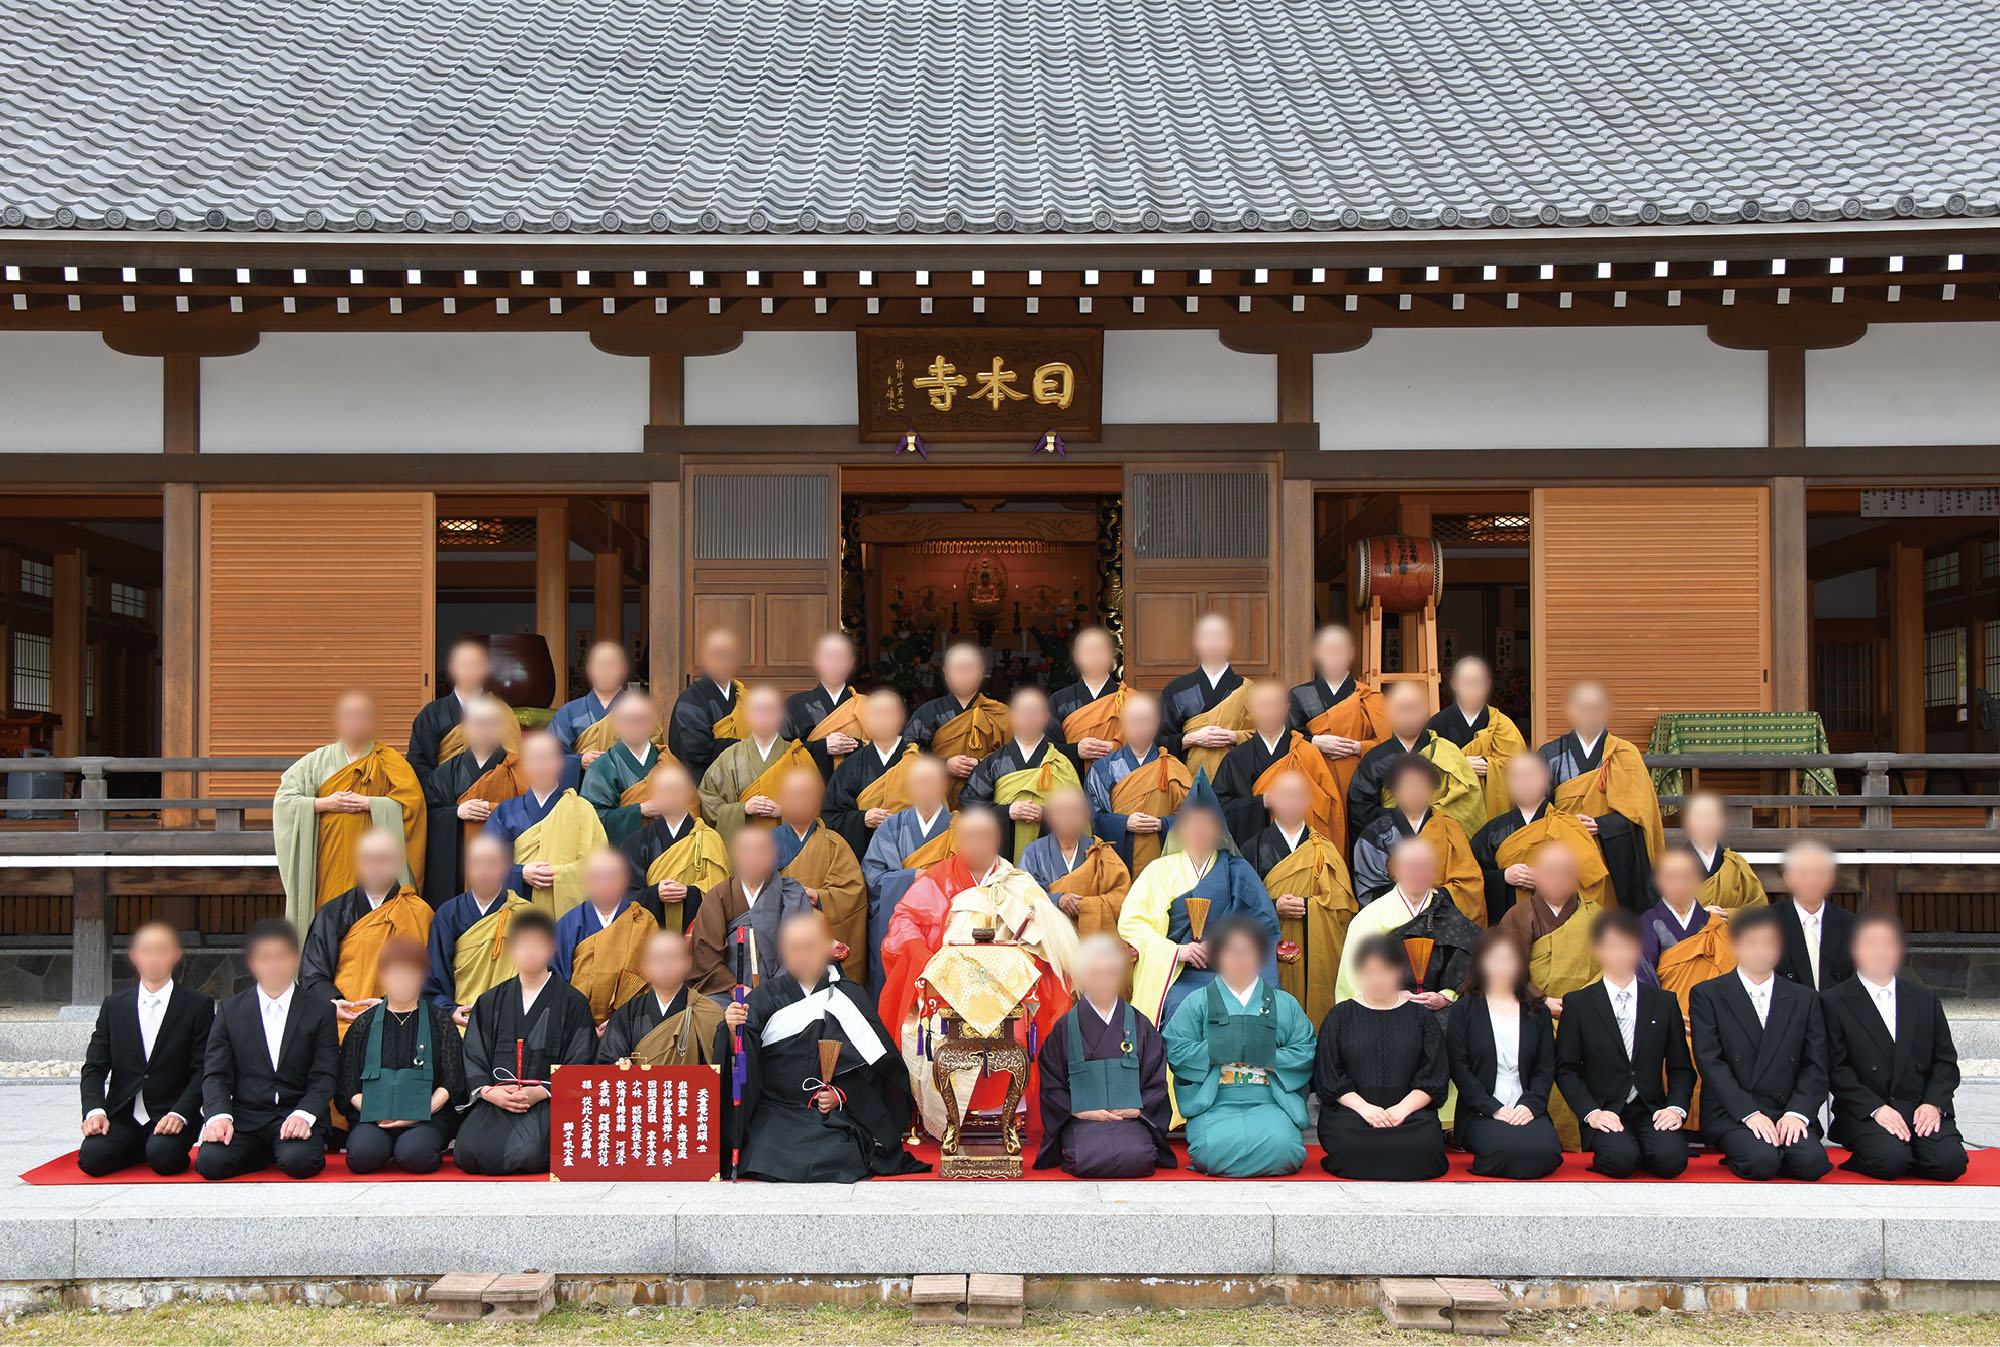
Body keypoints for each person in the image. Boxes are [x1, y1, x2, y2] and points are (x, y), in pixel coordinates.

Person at [877, 807, 1079, 1138]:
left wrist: (1019, 958)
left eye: (985, 836)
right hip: (947, 985)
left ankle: (1011, 1114)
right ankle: (948, 1118)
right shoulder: (938, 877)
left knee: (1023, 1025)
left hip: (1008, 987)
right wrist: (919, 951)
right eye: (969, 837)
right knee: (927, 1031)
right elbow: (904, 919)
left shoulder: (1017, 882)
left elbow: (1046, 935)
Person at [729, 912, 927, 1181]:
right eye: (795, 949)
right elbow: (745, 1052)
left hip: (830, 1112)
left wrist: (841, 1094)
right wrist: (732, 1028)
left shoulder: (849, 995)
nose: (803, 956)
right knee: (765, 1150)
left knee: (837, 1153)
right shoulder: (766, 995)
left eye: (811, 947)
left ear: (827, 948)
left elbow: (877, 1067)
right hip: (777, 1108)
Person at [1119, 775, 1280, 1027]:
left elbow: (1263, 924)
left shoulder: (1237, 870)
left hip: (1231, 971)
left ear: (1219, 830)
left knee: (1245, 1004)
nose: (1199, 831)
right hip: (1177, 974)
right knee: (1183, 1004)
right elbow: (1131, 923)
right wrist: (1177, 952)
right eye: (1192, 824)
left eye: (1207, 824)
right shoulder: (1158, 870)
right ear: (1180, 829)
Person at [1688, 905, 1833, 1182]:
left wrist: (1797, 1113)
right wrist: (1749, 1113)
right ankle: (1750, 1147)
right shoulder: (1708, 994)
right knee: (1761, 1163)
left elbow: (1816, 1064)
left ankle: (1780, 1143)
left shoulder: (1804, 998)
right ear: (1736, 946)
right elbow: (1710, 1062)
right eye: (1751, 943)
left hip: (1786, 1107)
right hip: (1735, 1111)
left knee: (1812, 1165)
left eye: (1769, 943)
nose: (1760, 951)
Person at [1166, 915, 1315, 1177]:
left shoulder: (1284, 1003)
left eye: (1247, 952)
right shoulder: (1197, 1002)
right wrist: (1218, 1049)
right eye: (1231, 952)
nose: (1239, 959)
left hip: (1270, 1100)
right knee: (1210, 1151)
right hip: (1216, 1099)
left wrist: (1269, 1056)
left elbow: (1305, 1050)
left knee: (1285, 1150)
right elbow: (1176, 1050)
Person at [1823, 913, 1967, 1181]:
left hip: (1918, 1106)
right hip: (1868, 1110)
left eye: (1888, 943)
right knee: (1889, 1162)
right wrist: (1877, 1109)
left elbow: (1945, 1061)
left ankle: (1915, 1149)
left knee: (1950, 1164)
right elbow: (1836, 1069)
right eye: (1871, 943)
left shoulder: (1924, 999)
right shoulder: (1833, 1001)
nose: (1880, 951)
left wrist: (1933, 1104)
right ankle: (1886, 1152)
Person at [1554, 908, 1695, 1179]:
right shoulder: (1579, 1003)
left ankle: (1647, 1147)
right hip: (1605, 1108)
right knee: (1619, 1161)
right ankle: (1627, 1147)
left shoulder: (1664, 1003)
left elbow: (1681, 1068)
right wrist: (1591, 1113)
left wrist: (1675, 1108)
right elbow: (1566, 1069)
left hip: (1650, 1108)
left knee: (1671, 1162)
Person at [456, 906, 596, 1175]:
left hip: (547, 1100)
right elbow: (474, 1055)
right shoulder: (490, 1001)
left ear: (551, 948)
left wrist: (541, 1091)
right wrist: (490, 1092)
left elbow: (581, 1059)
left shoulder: (573, 1002)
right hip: (498, 1098)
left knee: (525, 1152)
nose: (530, 951)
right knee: (469, 1150)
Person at [272, 691, 426, 933]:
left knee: (373, 924)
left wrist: (370, 804)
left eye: (362, 715)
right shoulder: (316, 761)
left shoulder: (390, 762)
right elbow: (285, 800)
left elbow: (412, 804)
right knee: (329, 921)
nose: (355, 722)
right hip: (329, 862)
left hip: (375, 862)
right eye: (349, 715)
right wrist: (322, 804)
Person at [196, 919, 338, 1180]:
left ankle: (277, 1149)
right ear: (252, 963)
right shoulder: (230, 1010)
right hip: (246, 1118)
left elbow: (325, 1075)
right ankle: (264, 1152)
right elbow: (215, 1073)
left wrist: (304, 1115)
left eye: (281, 956)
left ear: (296, 959)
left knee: (300, 1163)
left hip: (294, 1113)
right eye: (265, 957)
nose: (274, 965)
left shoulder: (321, 1010)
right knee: (211, 1164)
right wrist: (218, 1116)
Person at [1033, 933, 1174, 1177]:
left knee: (1139, 1156)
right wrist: (1076, 1110)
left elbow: (1156, 1082)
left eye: (1110, 973)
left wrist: (1137, 1110)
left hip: (1130, 1122)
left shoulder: (1141, 1026)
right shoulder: (1064, 1028)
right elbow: (1051, 1083)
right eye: (1095, 973)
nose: (1103, 981)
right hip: (1082, 1122)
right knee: (1084, 1157)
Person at [78, 921, 212, 1178]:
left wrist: (181, 1113)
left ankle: (150, 1148)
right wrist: (94, 1111)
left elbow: (203, 1069)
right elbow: (94, 1067)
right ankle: (136, 1147)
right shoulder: (114, 1006)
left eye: (162, 950)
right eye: (146, 950)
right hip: (123, 1114)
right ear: (133, 956)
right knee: (92, 1160)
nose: (154, 958)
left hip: (171, 1112)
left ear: (176, 955)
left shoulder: (198, 1005)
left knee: (164, 1159)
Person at [1316, 934, 1450, 1181]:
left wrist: (1401, 1110)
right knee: (1351, 1148)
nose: (1376, 979)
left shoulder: (1422, 1018)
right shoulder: (1340, 1016)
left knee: (1424, 1148)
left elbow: (1434, 1076)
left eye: (1384, 971)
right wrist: (1365, 1109)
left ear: (1399, 971)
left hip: (1409, 1114)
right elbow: (1329, 1076)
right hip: (1354, 1113)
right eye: (1369, 972)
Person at [1495, 841, 1602, 1148]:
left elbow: (1610, 965)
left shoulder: (1595, 916)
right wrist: (1542, 1001)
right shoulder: (1518, 915)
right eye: (1551, 871)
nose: (1558, 878)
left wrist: (1580, 1005)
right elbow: (1506, 969)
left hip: (1586, 1012)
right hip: (1532, 1012)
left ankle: (1595, 1128)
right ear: (1537, 876)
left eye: (1566, 871)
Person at [336, 936, 464, 1175]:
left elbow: (451, 1082)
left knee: (416, 1156)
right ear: (382, 977)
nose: (403, 981)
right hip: (374, 1116)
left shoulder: (440, 1022)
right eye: (395, 974)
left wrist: (416, 1113)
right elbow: (348, 1085)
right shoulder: (363, 1024)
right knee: (363, 1156)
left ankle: (406, 1145)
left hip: (428, 1116)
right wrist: (378, 1112)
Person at [1240, 770, 1356, 1027]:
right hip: (1269, 945)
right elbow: (1238, 906)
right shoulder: (1251, 848)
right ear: (1272, 800)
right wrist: (1273, 906)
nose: (1291, 802)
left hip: (1314, 947)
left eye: (1298, 796)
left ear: (1308, 801)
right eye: (1284, 795)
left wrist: (1309, 906)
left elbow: (1344, 908)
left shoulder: (1324, 850)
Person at [1447, 928, 1564, 1179]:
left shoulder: (1537, 1011)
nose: (1502, 968)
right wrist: (1493, 1108)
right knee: (1507, 1150)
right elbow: (1459, 1067)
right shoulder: (1464, 1009)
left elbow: (1546, 1067)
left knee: (1548, 1153)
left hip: (1526, 1107)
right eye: (1494, 960)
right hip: (1481, 1109)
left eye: (1509, 960)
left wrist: (1531, 1106)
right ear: (1480, 964)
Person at [1537, 682, 1663, 912]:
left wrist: (1601, 825)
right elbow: (1536, 808)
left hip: (1615, 853)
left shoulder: (1625, 754)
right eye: (1583, 707)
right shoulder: (1550, 754)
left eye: (1596, 708)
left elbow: (1642, 814)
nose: (1589, 714)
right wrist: (1569, 825)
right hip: (1567, 849)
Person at [299, 827, 435, 1035]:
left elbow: (430, 972)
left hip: (403, 1018)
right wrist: (334, 1002)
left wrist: (391, 1003)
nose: (375, 867)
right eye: (368, 859)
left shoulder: (418, 912)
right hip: (346, 1018)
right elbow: (313, 972)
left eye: (384, 859)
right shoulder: (334, 911)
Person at [1335, 838, 1480, 1010]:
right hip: (1384, 1013)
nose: (1418, 873)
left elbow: (1469, 969)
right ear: (1396, 870)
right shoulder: (1369, 919)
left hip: (1439, 1013)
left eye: (1425, 866)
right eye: (1411, 866)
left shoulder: (1448, 915)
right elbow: (1352, 982)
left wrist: (1446, 996)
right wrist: (1388, 997)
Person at [1471, 753, 1610, 925]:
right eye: (1517, 777)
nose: (1525, 783)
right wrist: (1504, 877)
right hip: (1512, 928)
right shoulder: (1492, 831)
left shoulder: (1569, 826)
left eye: (1531, 775)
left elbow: (1592, 879)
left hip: (1563, 927)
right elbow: (1471, 878)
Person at [1346, 681, 1484, 848]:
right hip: (1391, 852)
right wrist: (1402, 818)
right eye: (1402, 709)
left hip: (1444, 850)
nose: (1408, 715)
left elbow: (1468, 806)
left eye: (1414, 708)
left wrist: (1429, 822)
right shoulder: (1375, 759)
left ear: (1426, 712)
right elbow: (1360, 812)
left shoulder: (1448, 752)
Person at [1288, 624, 1388, 854]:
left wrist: (1358, 747)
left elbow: (1389, 744)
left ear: (1351, 653)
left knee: (1360, 843)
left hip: (1360, 783)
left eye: (1340, 650)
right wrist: (1315, 742)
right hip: (1317, 781)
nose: (1334, 656)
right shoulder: (1299, 695)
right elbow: (1286, 738)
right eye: (1327, 650)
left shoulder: (1369, 697)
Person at [858, 755, 957, 988]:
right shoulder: (891, 826)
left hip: (943, 922)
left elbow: (969, 879)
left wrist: (934, 883)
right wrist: (910, 877)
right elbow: (872, 876)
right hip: (897, 920)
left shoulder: (957, 828)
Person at [687, 825, 817, 1001]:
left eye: (762, 851)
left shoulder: (792, 893)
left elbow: (803, 947)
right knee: (712, 1016)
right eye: (746, 851)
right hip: (729, 994)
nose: (753, 858)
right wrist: (734, 989)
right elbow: (706, 954)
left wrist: (771, 994)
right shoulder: (718, 897)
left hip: (786, 990)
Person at [1352, 755, 1484, 925]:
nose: (1415, 791)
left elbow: (1471, 881)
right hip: (1395, 924)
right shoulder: (1376, 834)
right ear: (1394, 790)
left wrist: (1439, 895)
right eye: (1407, 785)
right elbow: (1369, 886)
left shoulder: (1449, 828)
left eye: (1422, 784)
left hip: (1444, 919)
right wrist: (1414, 897)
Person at [419, 694, 526, 904]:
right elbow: (427, 813)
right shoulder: (444, 774)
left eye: (491, 723)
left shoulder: (518, 770)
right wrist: (455, 813)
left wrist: (496, 809)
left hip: (503, 859)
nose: (484, 730)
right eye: (477, 723)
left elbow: (533, 812)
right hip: (458, 863)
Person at [482, 730, 602, 913]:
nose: (541, 765)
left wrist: (559, 875)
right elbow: (485, 863)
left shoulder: (582, 809)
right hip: (516, 911)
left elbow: (599, 864)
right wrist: (520, 873)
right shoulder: (506, 811)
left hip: (570, 917)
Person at [1213, 679, 1342, 846]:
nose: (1269, 712)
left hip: (1303, 847)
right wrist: (1262, 801)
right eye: (1263, 705)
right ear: (1251, 710)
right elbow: (1217, 808)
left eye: (1275, 705)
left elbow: (1329, 808)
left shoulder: (1307, 753)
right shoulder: (1236, 757)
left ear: (1286, 708)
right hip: (1255, 853)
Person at [959, 686, 1079, 861]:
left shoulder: (1062, 763)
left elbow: (1078, 814)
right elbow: (969, 804)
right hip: (1000, 856)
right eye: (1022, 711)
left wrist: (1045, 815)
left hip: (1051, 856)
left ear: (1046, 718)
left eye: (1035, 711)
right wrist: (1007, 811)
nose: (1028, 718)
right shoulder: (994, 762)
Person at [425, 833, 535, 1020]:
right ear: (466, 868)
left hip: (515, 1019)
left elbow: (541, 974)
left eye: (491, 863)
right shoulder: (449, 914)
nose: (483, 871)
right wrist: (450, 1010)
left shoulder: (527, 915)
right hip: (463, 1018)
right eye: (476, 863)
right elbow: (434, 977)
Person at [773, 766, 868, 983]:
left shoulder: (835, 843)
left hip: (822, 935)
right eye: (792, 796)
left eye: (806, 795)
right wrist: (788, 897)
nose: (799, 801)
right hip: (781, 934)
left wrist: (819, 896)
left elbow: (853, 892)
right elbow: (750, 889)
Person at [1085, 690, 1190, 874]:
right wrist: (1123, 823)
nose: (1140, 726)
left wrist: (1163, 824)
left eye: (1146, 720)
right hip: (1118, 866)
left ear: (1157, 722)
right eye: (1134, 720)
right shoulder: (1103, 769)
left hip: (1165, 865)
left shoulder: (1174, 768)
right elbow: (1090, 819)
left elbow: (1194, 815)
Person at [699, 684, 818, 842]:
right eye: (757, 710)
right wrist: (743, 809)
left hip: (789, 850)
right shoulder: (728, 758)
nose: (763, 716)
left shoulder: (799, 757)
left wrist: (784, 812)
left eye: (770, 710)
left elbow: (816, 805)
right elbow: (708, 802)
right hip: (744, 849)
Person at [554, 848, 660, 1025]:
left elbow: (657, 977)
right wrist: (582, 1027)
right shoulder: (569, 923)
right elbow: (557, 982)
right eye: (596, 877)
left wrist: (627, 1021)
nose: (604, 883)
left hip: (633, 1023)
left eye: (612, 876)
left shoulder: (644, 922)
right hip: (578, 1025)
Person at [618, 762, 725, 932]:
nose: (670, 795)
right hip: (651, 937)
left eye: (676, 789)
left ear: (689, 793)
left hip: (698, 934)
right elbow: (625, 894)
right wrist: (654, 894)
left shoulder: (709, 838)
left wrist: (691, 893)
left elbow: (721, 890)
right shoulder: (637, 841)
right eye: (664, 790)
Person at [597, 930, 729, 1067]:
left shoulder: (709, 1014)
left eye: (672, 957)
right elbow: (607, 1063)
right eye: (658, 958)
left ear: (688, 963)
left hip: (688, 1088)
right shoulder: (626, 1014)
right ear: (645, 966)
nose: (665, 965)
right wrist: (620, 1067)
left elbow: (719, 1073)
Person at [1019, 787, 1132, 942]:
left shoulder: (1101, 852)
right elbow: (1021, 894)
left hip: (1094, 944)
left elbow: (1121, 897)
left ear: (1087, 815)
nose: (1067, 817)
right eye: (1060, 811)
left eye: (1074, 811)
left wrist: (1087, 906)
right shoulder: (1033, 852)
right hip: (1047, 942)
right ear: (1050, 816)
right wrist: (1057, 900)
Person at [407, 637, 521, 791]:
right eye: (463, 664)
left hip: (492, 796)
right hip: (444, 801)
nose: (469, 670)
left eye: (475, 664)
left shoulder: (501, 712)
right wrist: (441, 796)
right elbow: (419, 764)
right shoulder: (431, 713)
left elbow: (513, 761)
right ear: (451, 668)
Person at [907, 642, 1009, 806]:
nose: (963, 674)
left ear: (982, 671)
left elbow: (1016, 756)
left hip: (988, 804)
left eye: (969, 668)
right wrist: (944, 765)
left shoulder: (1001, 714)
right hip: (937, 802)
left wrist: (983, 766)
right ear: (946, 673)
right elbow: (908, 757)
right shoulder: (927, 713)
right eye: (957, 668)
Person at [1428, 657, 1526, 823]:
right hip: (1452, 816)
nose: (1472, 688)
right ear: (1454, 684)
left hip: (1493, 817)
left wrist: (1489, 765)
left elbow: (1519, 767)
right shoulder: (1435, 724)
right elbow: (1424, 768)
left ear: (1487, 684)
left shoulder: (1503, 725)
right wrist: (1461, 765)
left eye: (1477, 682)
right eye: (1467, 682)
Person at [823, 688, 917, 860]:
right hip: (864, 857)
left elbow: (937, 814)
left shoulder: (918, 763)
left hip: (911, 855)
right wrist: (862, 819)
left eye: (889, 713)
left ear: (902, 717)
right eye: (876, 714)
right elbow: (832, 816)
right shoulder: (849, 766)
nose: (883, 720)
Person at [1158, 612, 1251, 778]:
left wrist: (1234, 736)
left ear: (1230, 642)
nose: (1213, 643)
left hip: (1235, 780)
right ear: (1197, 643)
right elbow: (1158, 740)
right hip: (1188, 780)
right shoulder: (1177, 689)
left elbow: (1265, 736)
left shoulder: (1248, 689)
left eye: (1219, 637)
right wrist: (1190, 739)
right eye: (1207, 637)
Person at [579, 692, 668, 846]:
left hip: (666, 853)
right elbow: (591, 820)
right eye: (628, 719)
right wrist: (639, 810)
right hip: (622, 857)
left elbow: (689, 807)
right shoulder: (601, 767)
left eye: (642, 719)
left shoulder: (667, 762)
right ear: (616, 722)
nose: (636, 725)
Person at [1773, 840, 1855, 992]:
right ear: (1788, 878)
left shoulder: (1852, 925)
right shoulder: (1768, 922)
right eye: (1803, 873)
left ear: (1831, 878)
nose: (1812, 880)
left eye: (1820, 872)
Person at [668, 629, 748, 781]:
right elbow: (697, 749)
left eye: (730, 655)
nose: (724, 661)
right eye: (718, 654)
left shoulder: (744, 696)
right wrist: (739, 747)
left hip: (745, 780)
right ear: (705, 658)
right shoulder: (691, 700)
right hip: (706, 783)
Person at [782, 631, 864, 779]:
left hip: (857, 790)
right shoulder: (795, 704)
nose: (835, 664)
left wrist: (855, 744)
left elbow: (885, 749)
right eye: (829, 657)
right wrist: (822, 747)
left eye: (841, 658)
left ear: (851, 662)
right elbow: (778, 750)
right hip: (810, 789)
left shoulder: (867, 706)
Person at [1051, 626, 1127, 771]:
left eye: (1100, 650)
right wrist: (1075, 750)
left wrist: (1117, 747)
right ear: (1076, 656)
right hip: (1072, 782)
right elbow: (1044, 747)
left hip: (1120, 782)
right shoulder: (1058, 700)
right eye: (1087, 651)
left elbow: (1148, 743)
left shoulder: (1129, 699)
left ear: (1113, 654)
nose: (1094, 656)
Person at [1679, 792, 1769, 912]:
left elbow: (1761, 912)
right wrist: (1700, 916)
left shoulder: (1737, 865)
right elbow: (1658, 918)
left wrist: (1727, 915)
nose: (1706, 823)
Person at [552, 639, 636, 765]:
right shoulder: (569, 712)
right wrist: (579, 761)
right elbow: (548, 757)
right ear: (589, 670)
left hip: (630, 785)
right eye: (599, 664)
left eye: (612, 664)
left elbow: (654, 758)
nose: (605, 670)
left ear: (624, 669)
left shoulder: (639, 711)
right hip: (581, 784)